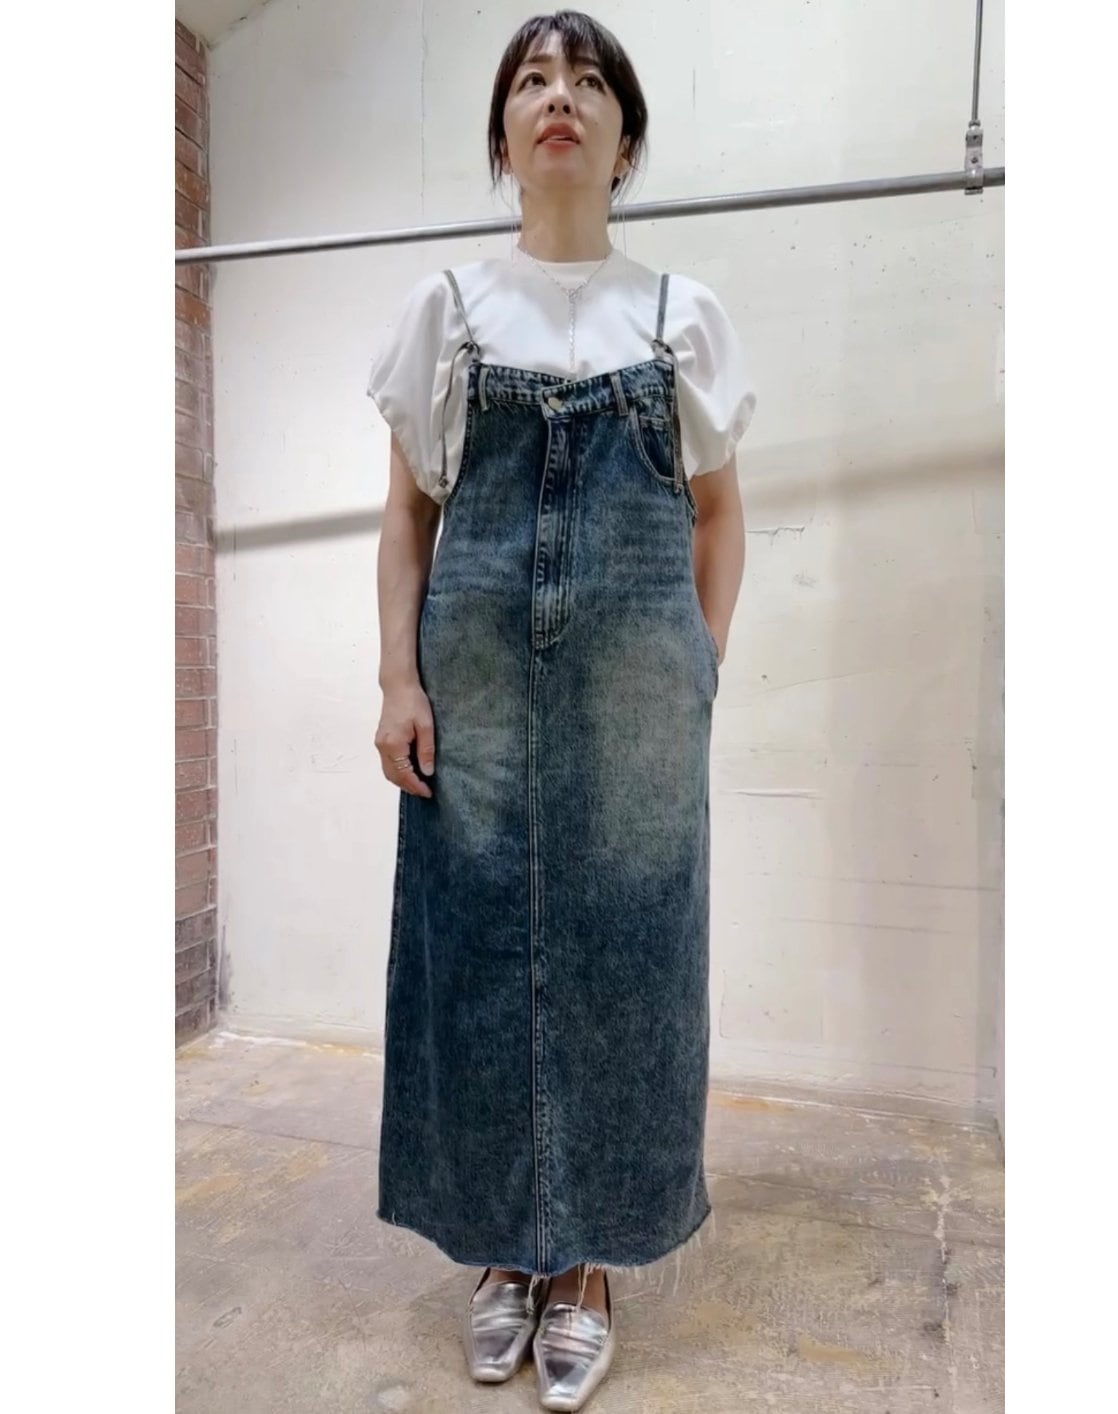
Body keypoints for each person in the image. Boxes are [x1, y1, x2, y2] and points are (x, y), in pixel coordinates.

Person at [366, 11, 755, 1410]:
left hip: (638, 688)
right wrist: (398, 677)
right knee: (475, 950)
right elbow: (408, 516)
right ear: (504, 135)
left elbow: (717, 515)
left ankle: (585, 1262)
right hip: (472, 685)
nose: (559, 98)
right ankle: (500, 1250)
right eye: (532, 79)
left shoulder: (679, 315)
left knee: (629, 958)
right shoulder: (450, 309)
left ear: (624, 138)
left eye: (588, 80)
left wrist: (699, 663)